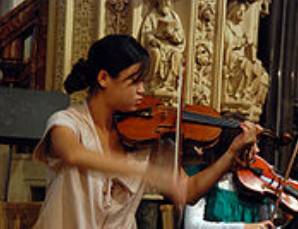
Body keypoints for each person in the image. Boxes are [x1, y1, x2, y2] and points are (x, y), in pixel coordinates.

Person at [33, 34, 262, 229]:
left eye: (143, 82)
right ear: (103, 78)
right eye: (134, 81)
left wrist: (230, 154)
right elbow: (73, 154)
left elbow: (187, 191)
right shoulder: (66, 122)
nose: (142, 90)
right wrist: (148, 173)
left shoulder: (147, 137)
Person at [184, 112, 274, 229]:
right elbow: (192, 226)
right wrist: (244, 227)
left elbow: (264, 224)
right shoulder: (199, 177)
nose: (257, 150)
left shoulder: (255, 184)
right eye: (250, 145)